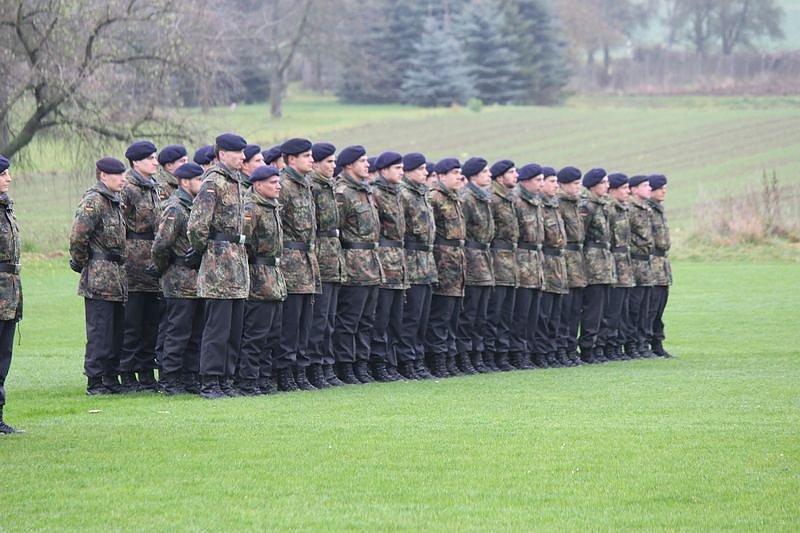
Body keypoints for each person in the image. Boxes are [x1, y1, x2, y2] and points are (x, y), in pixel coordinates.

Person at [187, 133, 250, 399]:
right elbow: (197, 225)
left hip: (237, 261)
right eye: (238, 152)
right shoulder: (213, 182)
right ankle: (211, 380)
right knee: (217, 327)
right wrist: (207, 252)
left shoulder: (237, 183)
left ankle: (226, 378)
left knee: (235, 327)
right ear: (223, 154)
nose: (243, 157)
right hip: (218, 262)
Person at [69, 157, 128, 395]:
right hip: (99, 276)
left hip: (116, 276)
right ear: (103, 176)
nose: (123, 179)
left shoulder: (115, 201)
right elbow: (78, 237)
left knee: (116, 331)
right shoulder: (94, 201)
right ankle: (95, 380)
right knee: (100, 331)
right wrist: (84, 263)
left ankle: (111, 378)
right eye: (118, 175)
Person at [151, 162, 205, 395]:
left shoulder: (193, 206)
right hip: (178, 279)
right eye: (198, 180)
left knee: (194, 331)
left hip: (196, 280)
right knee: (177, 331)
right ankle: (170, 378)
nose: (202, 185)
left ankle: (189, 375)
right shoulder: (175, 207)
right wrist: (166, 268)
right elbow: (161, 245)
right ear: (185, 182)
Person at [333, 145, 384, 384]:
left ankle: (361, 364)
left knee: (366, 319)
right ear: (349, 165)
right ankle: (346, 365)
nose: (367, 164)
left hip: (372, 264)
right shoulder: (342, 192)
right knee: (349, 319)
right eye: (362, 161)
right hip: (353, 263)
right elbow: (337, 231)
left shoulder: (366, 191)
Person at [275, 138, 321, 391]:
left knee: (305, 322)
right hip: (290, 262)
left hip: (307, 262)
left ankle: (299, 371)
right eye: (306, 156)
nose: (311, 160)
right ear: (291, 159)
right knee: (290, 323)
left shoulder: (305, 185)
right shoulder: (282, 185)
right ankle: (285, 372)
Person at [239, 165, 287, 395]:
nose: (278, 186)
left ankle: (264, 378)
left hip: (274, 279)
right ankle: (249, 380)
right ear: (258, 184)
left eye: (278, 182)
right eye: (272, 182)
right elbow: (243, 244)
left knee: (272, 334)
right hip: (258, 278)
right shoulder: (252, 208)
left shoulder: (273, 207)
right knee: (255, 334)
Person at [119, 141, 161, 392]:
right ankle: (127, 371)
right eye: (150, 158)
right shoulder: (128, 188)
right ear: (136, 162)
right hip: (133, 264)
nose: (155, 162)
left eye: (155, 158)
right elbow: (119, 225)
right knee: (132, 323)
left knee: (150, 323)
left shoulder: (152, 187)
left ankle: (146, 372)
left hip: (152, 264)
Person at [396, 153, 436, 380]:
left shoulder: (422, 194)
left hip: (426, 263)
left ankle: (418, 359)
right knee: (410, 316)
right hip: (410, 262)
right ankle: (407, 361)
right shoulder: (403, 194)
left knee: (422, 317)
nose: (425, 173)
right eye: (420, 169)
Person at [308, 142, 345, 388]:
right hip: (318, 259)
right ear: (317, 163)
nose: (334, 166)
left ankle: (326, 366)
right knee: (318, 319)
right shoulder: (312, 187)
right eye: (329, 162)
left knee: (329, 319)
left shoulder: (329, 187)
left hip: (333, 259)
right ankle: (313, 368)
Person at [426, 158, 467, 378]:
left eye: (460, 172)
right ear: (441, 175)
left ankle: (449, 357)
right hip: (442, 262)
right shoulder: (434, 198)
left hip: (455, 262)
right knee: (440, 315)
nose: (459, 176)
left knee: (452, 315)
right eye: (454, 173)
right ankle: (437, 360)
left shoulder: (454, 198)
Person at [370, 151, 407, 381]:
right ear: (383, 170)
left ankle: (391, 363)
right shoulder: (376, 194)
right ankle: (378, 363)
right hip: (382, 260)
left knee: (396, 317)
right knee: (381, 317)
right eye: (396, 168)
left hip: (398, 261)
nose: (401, 172)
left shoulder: (396, 194)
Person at [456, 157, 495, 374]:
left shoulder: (483, 197)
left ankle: (477, 355)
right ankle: (464, 356)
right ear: (473, 175)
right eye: (484, 172)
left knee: (481, 313)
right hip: (471, 260)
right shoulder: (467, 198)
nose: (489, 175)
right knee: (469, 313)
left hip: (484, 259)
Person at [532, 166, 568, 368]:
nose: (556, 185)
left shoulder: (553, 206)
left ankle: (552, 351)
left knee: (556, 313)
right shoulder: (539, 206)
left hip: (557, 264)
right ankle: (540, 352)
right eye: (551, 181)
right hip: (542, 263)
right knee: (543, 313)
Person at [511, 163, 546, 370]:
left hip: (535, 262)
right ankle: (518, 353)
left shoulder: (536, 201)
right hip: (520, 262)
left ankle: (529, 351)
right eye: (538, 180)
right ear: (525, 181)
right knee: (521, 313)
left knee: (533, 313)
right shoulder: (516, 200)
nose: (541, 185)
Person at [579, 168, 615, 364]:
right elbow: (580, 237)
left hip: (603, 262)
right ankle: (587, 348)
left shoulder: (601, 205)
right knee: (592, 308)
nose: (607, 186)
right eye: (603, 183)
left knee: (602, 308)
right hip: (592, 263)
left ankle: (597, 346)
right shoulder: (588, 206)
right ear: (593, 185)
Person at [486, 160, 520, 372]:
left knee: (506, 313)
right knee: (494, 312)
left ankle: (502, 355)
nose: (516, 175)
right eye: (511, 172)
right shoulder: (492, 199)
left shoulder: (508, 199)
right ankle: (490, 356)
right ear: (499, 177)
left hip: (510, 261)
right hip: (496, 260)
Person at [0, 155, 23, 433]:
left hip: (8, 293)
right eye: (4, 174)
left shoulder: (6, 208)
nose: (9, 178)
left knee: (3, 356)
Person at [602, 173, 635, 361]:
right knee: (611, 310)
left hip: (624, 264)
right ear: (612, 190)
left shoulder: (622, 209)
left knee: (623, 309)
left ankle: (617, 345)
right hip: (610, 263)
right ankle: (609, 346)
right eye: (623, 188)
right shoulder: (610, 209)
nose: (627, 191)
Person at [557, 166, 586, 367]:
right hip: (563, 259)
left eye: (579, 183)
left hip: (577, 260)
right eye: (574, 184)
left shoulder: (575, 204)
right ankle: (561, 349)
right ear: (563, 185)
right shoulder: (559, 204)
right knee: (564, 309)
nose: (578, 187)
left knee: (575, 309)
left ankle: (570, 347)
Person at [648, 174, 676, 358]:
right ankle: (646, 343)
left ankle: (657, 343)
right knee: (650, 307)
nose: (664, 190)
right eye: (660, 187)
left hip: (662, 265)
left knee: (660, 308)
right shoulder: (646, 210)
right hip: (650, 265)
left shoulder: (659, 210)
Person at [627, 175, 655, 358]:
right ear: (634, 189)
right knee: (634, 307)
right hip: (633, 263)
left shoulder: (646, 209)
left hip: (646, 263)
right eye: (645, 185)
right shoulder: (629, 209)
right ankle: (631, 345)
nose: (649, 188)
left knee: (646, 307)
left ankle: (642, 344)